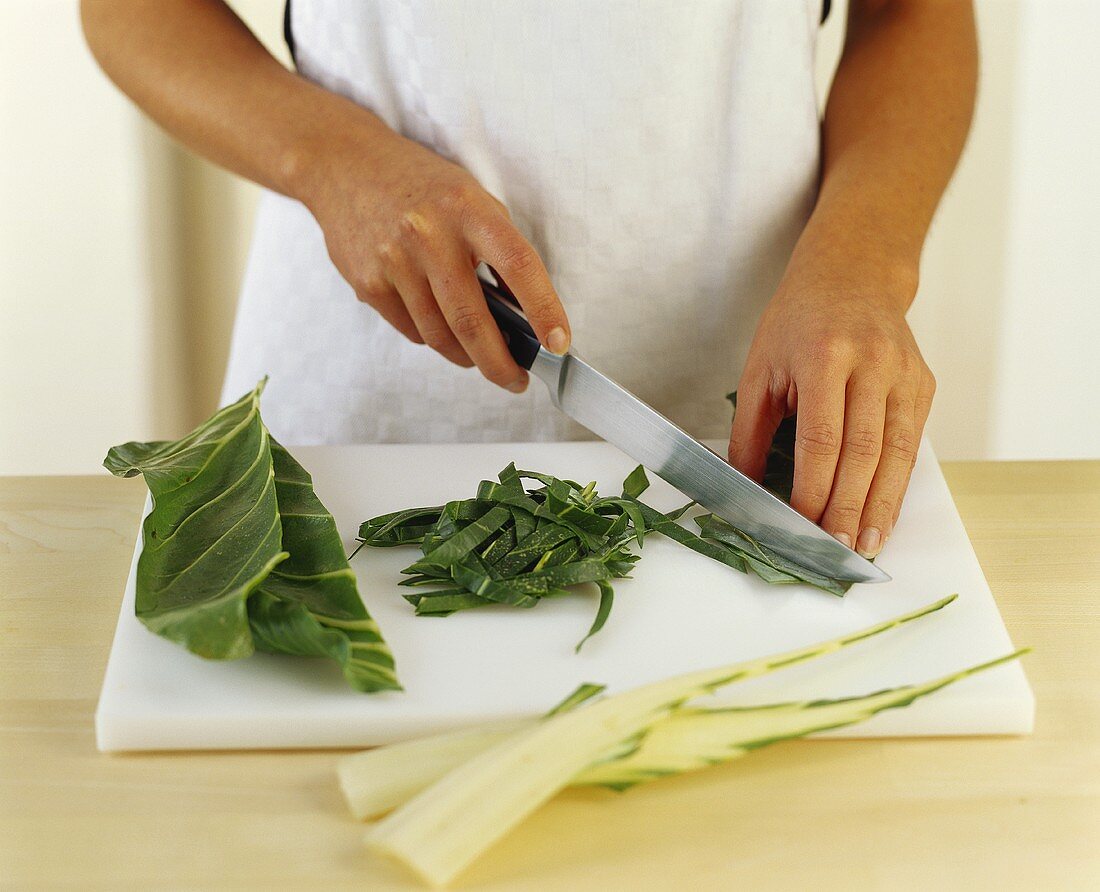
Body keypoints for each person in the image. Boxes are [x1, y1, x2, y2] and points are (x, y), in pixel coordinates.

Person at [81, 0, 976, 560]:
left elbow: (913, 12)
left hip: (744, 422)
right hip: (354, 414)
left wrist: (863, 263)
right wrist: (332, 163)